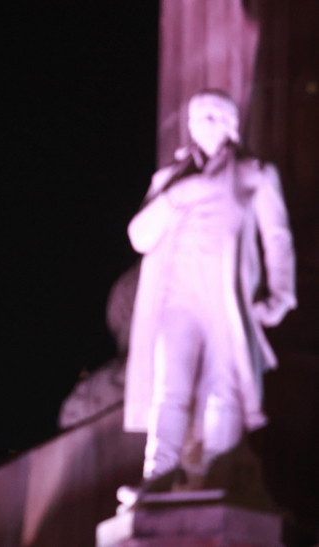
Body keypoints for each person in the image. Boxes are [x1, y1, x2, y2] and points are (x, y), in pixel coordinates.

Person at [121, 90, 296, 497]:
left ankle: (221, 473)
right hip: (176, 299)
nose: (205, 124)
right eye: (198, 117)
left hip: (225, 298)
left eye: (214, 116)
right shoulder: (170, 179)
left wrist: (280, 295)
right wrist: (176, 197)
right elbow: (139, 236)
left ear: (231, 125)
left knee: (224, 387)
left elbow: (277, 237)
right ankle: (157, 476)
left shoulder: (254, 173)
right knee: (169, 388)